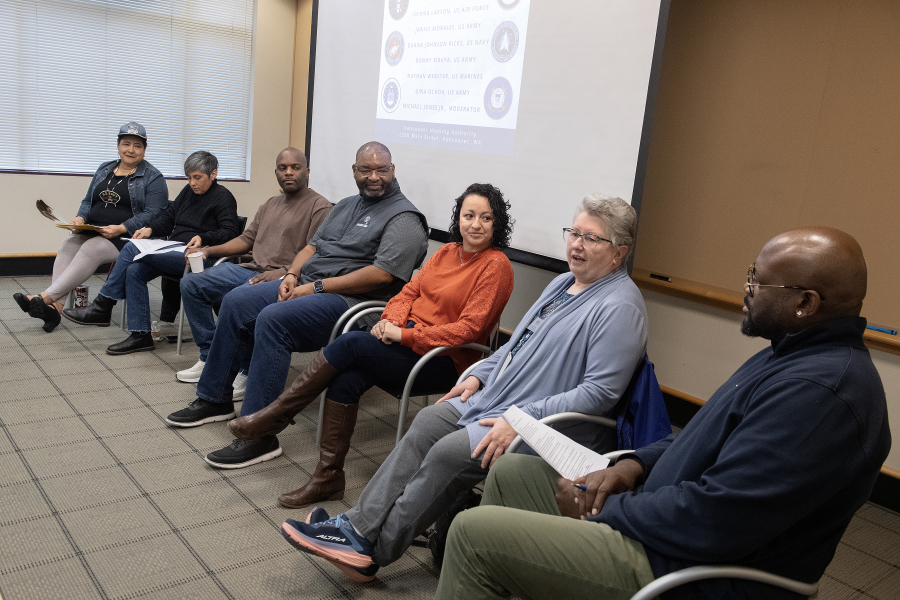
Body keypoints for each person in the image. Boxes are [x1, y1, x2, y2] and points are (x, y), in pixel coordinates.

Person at [433, 227, 892, 600]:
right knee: (514, 471)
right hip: (666, 522)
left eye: (758, 281)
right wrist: (631, 465)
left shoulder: (820, 395)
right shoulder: (790, 355)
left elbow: (715, 520)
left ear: (806, 303)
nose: (746, 290)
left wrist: (610, 509)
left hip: (692, 569)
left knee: (476, 535)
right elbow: (700, 438)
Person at [279, 194, 649, 583]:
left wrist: (521, 420)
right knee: (427, 421)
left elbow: (600, 393)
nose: (576, 244)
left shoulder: (620, 307)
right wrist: (479, 374)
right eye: (574, 233)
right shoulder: (562, 284)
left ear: (618, 253)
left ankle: (372, 549)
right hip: (500, 397)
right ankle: (357, 526)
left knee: (448, 453)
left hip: (545, 425)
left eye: (591, 239)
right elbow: (515, 345)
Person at [227, 182, 515, 509]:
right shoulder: (446, 253)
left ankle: (277, 413)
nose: (475, 224)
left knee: (351, 344)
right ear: (458, 218)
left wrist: (404, 336)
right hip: (406, 344)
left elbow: (468, 330)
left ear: (497, 223)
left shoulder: (497, 266)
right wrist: (391, 321)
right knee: (345, 377)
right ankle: (328, 478)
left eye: (486, 218)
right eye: (468, 215)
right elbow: (407, 294)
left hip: (444, 361)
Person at [164, 141, 429, 469]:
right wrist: (291, 274)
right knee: (236, 301)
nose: (373, 176)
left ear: (393, 170)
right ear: (354, 171)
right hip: (309, 284)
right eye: (365, 169)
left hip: (351, 302)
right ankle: (215, 398)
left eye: (381, 169)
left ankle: (260, 434)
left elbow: (380, 276)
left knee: (273, 319)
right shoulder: (346, 206)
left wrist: (315, 285)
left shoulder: (405, 218)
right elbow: (311, 247)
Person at [174, 147, 331, 398]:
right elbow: (246, 240)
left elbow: (316, 252)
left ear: (307, 172)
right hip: (250, 269)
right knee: (192, 284)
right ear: (276, 172)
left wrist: (283, 271)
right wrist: (208, 249)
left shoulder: (319, 206)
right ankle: (209, 356)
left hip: (283, 277)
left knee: (240, 299)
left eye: (295, 167)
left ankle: (246, 370)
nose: (288, 172)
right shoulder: (270, 203)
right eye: (283, 168)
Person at [62, 151, 239, 355]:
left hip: (201, 257)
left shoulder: (223, 197)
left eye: (197, 177)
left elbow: (230, 232)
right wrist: (151, 229)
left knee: (131, 248)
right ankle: (141, 335)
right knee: (135, 270)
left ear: (213, 174)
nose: (192, 183)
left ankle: (103, 305)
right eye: (189, 177)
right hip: (174, 250)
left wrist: (204, 239)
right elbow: (169, 217)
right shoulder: (188, 192)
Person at [13, 122, 167, 332]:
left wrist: (121, 227)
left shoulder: (153, 177)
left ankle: (43, 297)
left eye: (137, 146)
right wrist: (80, 218)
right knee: (68, 244)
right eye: (126, 144)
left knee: (91, 248)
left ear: (145, 149)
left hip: (128, 237)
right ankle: (55, 309)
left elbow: (154, 214)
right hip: (94, 229)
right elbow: (88, 201)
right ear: (118, 145)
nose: (131, 150)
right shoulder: (104, 169)